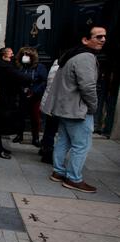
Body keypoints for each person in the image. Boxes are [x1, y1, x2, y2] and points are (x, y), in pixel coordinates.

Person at [43, 24, 107, 193]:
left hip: (64, 108)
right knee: (81, 145)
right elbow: (88, 87)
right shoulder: (86, 58)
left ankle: (58, 172)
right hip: (77, 110)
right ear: (85, 40)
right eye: (98, 37)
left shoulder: (70, 57)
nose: (103, 40)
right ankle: (73, 178)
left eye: (104, 36)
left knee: (63, 140)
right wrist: (93, 107)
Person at [0, 47, 32, 159]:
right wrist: (30, 73)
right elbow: (24, 78)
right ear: (4, 56)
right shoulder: (5, 67)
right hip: (3, 99)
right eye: (11, 54)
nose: (13, 56)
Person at [13, 47, 48, 147]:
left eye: (27, 55)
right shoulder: (20, 67)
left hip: (35, 96)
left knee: (35, 118)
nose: (25, 57)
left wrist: (34, 91)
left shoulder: (40, 67)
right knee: (21, 116)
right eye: (24, 55)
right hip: (23, 95)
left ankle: (36, 138)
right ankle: (19, 135)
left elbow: (43, 81)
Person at [39, 59, 60, 164]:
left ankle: (44, 147)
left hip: (48, 102)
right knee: (52, 129)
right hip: (55, 104)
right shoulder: (60, 70)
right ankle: (47, 153)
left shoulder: (54, 67)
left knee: (49, 128)